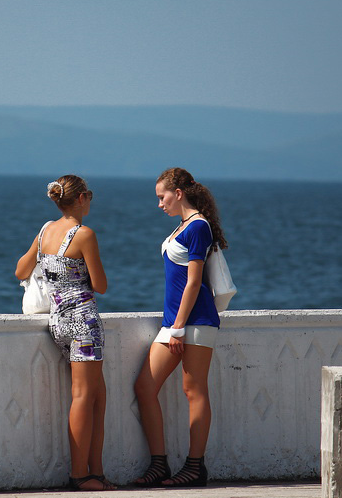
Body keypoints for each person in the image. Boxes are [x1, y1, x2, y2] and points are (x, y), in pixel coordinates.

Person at [15, 175, 114, 491]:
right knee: (84, 397)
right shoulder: (84, 234)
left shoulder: (45, 230)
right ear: (82, 198)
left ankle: (97, 472)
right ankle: (79, 475)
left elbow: (20, 271)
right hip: (83, 322)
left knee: (98, 396)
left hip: (58, 323)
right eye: (90, 195)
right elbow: (100, 285)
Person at [133, 167, 228, 488]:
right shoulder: (184, 226)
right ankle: (159, 464)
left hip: (195, 321)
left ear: (178, 193)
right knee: (144, 388)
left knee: (194, 390)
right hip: (175, 322)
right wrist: (173, 326)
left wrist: (178, 328)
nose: (159, 204)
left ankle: (195, 467)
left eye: (162, 197)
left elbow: (194, 282)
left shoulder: (198, 226)